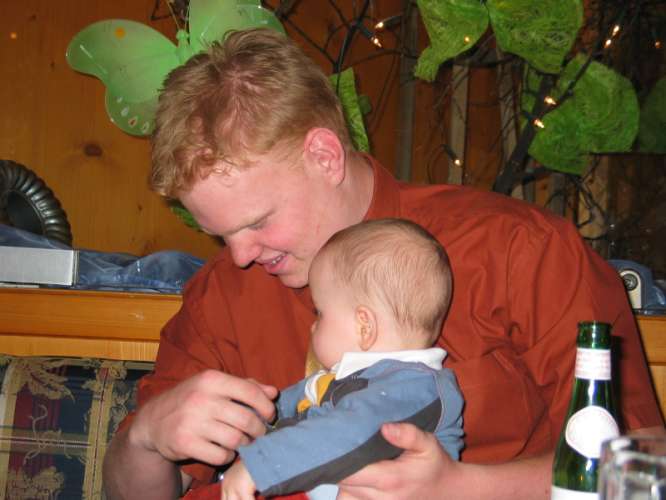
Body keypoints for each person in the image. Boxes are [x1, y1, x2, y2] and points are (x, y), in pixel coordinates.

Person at [102, 28, 664, 500]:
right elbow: (133, 490)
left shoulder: (517, 250)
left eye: (256, 222)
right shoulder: (220, 296)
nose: (240, 256)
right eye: (220, 235)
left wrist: (460, 487)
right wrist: (146, 439)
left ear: (324, 156)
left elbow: (643, 459)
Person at [221, 218, 464, 499]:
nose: (312, 327)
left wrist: (261, 466)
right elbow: (281, 408)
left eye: (320, 313)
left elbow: (347, 432)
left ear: (364, 327)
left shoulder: (416, 387)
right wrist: (245, 413)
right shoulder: (338, 380)